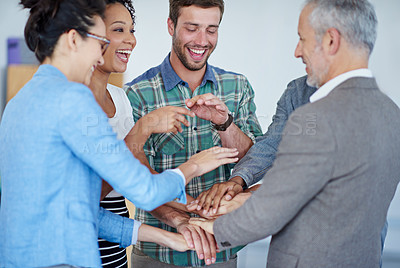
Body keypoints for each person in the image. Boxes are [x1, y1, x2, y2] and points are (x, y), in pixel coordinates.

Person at [0, 0, 239, 267]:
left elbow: (81, 208)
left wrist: (169, 238)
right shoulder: (73, 99)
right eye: (99, 43)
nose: (100, 56)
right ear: (73, 40)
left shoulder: (18, 103)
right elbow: (144, 191)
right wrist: (195, 166)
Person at [190, 0, 400, 267]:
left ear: (331, 41)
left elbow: (275, 206)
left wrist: (217, 228)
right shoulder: (392, 114)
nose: (296, 51)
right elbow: (286, 154)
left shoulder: (318, 117)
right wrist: (239, 183)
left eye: (302, 39)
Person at [124, 0, 263, 266]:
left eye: (212, 29)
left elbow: (254, 163)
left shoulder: (238, 86)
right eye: (192, 28)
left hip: (221, 252)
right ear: (171, 26)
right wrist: (184, 218)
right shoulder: (137, 94)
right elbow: (135, 178)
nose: (202, 40)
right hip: (159, 254)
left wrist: (225, 123)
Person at [89, 1, 199, 267]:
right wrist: (144, 127)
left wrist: (186, 214)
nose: (131, 40)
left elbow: (139, 178)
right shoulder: (73, 103)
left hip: (117, 242)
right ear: (87, 34)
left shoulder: (120, 98)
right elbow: (86, 195)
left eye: (131, 30)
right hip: (84, 239)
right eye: (119, 30)